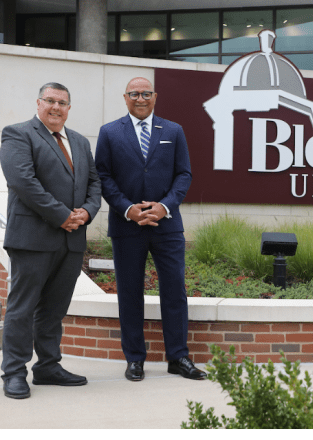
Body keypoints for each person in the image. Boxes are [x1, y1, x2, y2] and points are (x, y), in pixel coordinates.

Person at [94, 77, 205, 381]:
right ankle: (134, 359)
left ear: (155, 97)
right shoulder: (109, 132)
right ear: (125, 97)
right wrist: (128, 209)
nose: (140, 99)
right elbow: (103, 176)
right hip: (126, 226)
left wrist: (164, 206)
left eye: (145, 94)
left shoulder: (173, 131)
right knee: (130, 293)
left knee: (174, 292)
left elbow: (184, 174)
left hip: (166, 225)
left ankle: (178, 357)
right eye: (134, 94)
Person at [0, 82, 102, 399]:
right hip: (32, 238)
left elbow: (95, 184)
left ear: (69, 108)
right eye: (50, 101)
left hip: (70, 242)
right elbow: (23, 182)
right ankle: (14, 372)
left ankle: (47, 367)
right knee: (22, 308)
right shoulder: (18, 134)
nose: (56, 107)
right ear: (38, 102)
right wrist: (62, 215)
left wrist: (85, 212)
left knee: (54, 309)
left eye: (63, 102)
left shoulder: (81, 142)